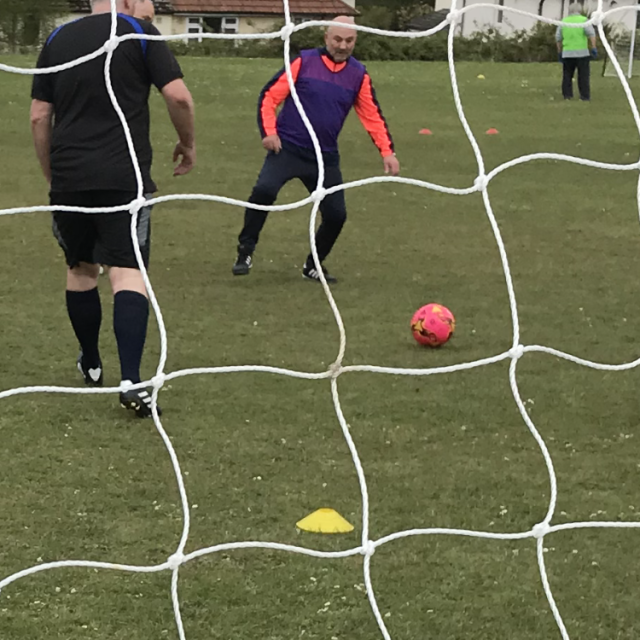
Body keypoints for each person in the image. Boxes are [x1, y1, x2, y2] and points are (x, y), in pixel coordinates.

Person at [30, 0, 196, 417]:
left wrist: (53, 175)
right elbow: (177, 96)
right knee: (127, 270)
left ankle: (90, 360)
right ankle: (132, 381)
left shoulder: (58, 37)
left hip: (70, 175)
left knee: (80, 269)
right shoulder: (138, 33)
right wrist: (188, 143)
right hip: (125, 178)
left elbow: (38, 116)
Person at [232, 16, 400, 284]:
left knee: (336, 215)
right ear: (325, 38)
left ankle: (313, 265)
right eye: (337, 39)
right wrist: (269, 132)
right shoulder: (304, 61)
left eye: (349, 41)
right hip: (287, 150)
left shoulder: (358, 74)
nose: (342, 46)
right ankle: (245, 251)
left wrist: (386, 151)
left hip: (325, 158)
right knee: (263, 192)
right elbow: (269, 96)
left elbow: (372, 116)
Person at [557, 3, 598, 101]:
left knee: (567, 76)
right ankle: (584, 96)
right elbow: (591, 34)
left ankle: (567, 96)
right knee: (583, 76)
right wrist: (593, 47)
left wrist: (559, 52)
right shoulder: (583, 20)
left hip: (567, 53)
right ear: (580, 10)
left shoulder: (563, 22)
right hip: (582, 53)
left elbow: (558, 38)